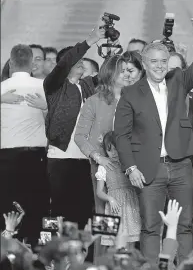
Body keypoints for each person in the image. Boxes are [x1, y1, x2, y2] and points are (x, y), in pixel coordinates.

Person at [114, 15, 193, 263]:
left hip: (180, 165)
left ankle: (186, 267)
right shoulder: (130, 93)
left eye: (163, 61)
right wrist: (131, 167)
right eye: (153, 61)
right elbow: (121, 135)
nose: (159, 66)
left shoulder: (178, 80)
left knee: (185, 225)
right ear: (144, 64)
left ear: (168, 62)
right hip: (149, 168)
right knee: (150, 227)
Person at [44, 27, 104, 228]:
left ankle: (81, 256)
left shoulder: (86, 86)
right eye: (76, 60)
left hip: (85, 160)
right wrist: (89, 41)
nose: (81, 62)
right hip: (60, 159)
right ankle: (50, 255)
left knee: (84, 212)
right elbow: (63, 64)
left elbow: (107, 74)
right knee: (56, 212)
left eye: (82, 61)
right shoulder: (54, 86)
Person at [75, 51, 143, 219]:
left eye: (129, 70)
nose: (127, 75)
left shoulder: (139, 99)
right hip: (105, 165)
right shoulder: (94, 101)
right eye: (122, 71)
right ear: (110, 73)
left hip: (134, 165)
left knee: (134, 213)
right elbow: (80, 136)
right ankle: (105, 246)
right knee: (104, 214)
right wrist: (99, 158)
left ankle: (130, 246)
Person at [0, 44, 49, 246]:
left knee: (7, 205)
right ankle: (35, 250)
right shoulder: (43, 87)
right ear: (31, 64)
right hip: (36, 157)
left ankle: (7, 249)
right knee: (36, 204)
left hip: (6, 157)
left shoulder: (2, 88)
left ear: (11, 62)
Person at [167, 51, 193, 244]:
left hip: (188, 170)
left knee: (184, 223)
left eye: (176, 69)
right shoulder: (147, 97)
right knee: (155, 222)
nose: (172, 73)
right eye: (167, 67)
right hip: (156, 169)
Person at [95, 131, 141, 250]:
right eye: (110, 150)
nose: (114, 153)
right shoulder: (103, 166)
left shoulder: (130, 163)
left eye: (116, 149)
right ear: (105, 150)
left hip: (131, 206)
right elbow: (99, 191)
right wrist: (110, 199)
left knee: (131, 243)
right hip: (112, 209)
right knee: (111, 244)